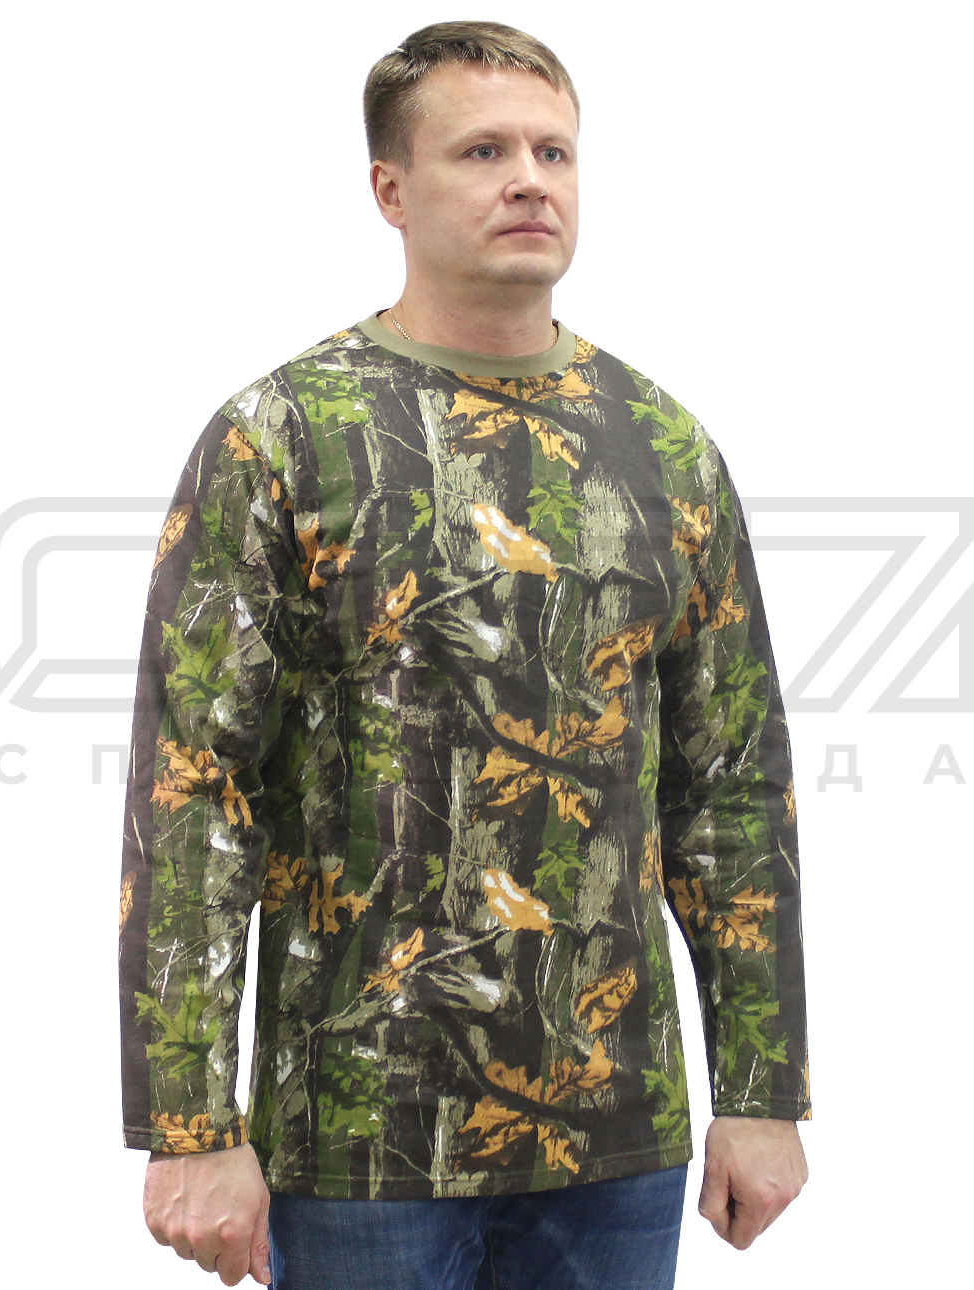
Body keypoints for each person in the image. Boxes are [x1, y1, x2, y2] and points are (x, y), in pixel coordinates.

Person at [119, 20, 810, 1290]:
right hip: (358, 1134)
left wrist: (763, 1091)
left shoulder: (663, 447)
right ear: (390, 189)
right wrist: (189, 1126)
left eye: (554, 151)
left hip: (618, 1136)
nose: (529, 180)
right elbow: (194, 792)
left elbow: (729, 788)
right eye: (483, 151)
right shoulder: (285, 434)